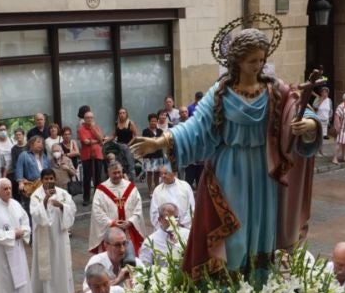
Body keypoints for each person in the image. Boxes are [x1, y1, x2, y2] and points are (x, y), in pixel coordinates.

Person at [131, 28, 320, 277]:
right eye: (253, 60)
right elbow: (196, 128)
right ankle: (229, 288)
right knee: (235, 235)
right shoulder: (220, 94)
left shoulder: (275, 90)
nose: (259, 65)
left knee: (262, 229)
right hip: (229, 172)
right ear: (237, 61)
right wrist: (160, 142)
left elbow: (296, 109)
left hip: (264, 172)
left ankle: (259, 282)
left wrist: (310, 124)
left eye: (262, 60)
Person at [30, 168, 75, 293]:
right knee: (48, 265)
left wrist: (61, 205)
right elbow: (35, 214)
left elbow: (72, 208)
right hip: (45, 236)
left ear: (54, 179)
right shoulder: (36, 195)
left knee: (62, 263)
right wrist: (45, 200)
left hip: (60, 235)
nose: (49, 181)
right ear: (42, 180)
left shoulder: (63, 193)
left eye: (51, 178)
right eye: (46, 179)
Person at [89, 159, 145, 260]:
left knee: (130, 261)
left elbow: (138, 208)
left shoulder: (130, 187)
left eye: (119, 172)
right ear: (108, 173)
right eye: (114, 173)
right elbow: (97, 212)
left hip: (128, 231)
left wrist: (130, 222)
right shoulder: (101, 190)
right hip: (110, 233)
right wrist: (112, 223)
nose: (117, 175)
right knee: (111, 262)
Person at [148, 164, 193, 229]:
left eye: (166, 173)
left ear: (174, 173)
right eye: (161, 174)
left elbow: (192, 207)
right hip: (165, 229)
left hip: (184, 227)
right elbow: (154, 212)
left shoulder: (185, 186)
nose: (163, 176)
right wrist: (165, 226)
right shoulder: (157, 190)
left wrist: (182, 224)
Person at [78, 109, 107, 205]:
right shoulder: (81, 129)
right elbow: (85, 142)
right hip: (86, 156)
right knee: (87, 177)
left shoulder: (96, 127)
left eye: (91, 117)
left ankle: (97, 197)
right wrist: (97, 141)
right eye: (87, 118)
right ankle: (86, 198)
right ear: (84, 119)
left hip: (98, 154)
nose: (89, 119)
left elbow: (101, 139)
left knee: (98, 177)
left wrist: (93, 130)